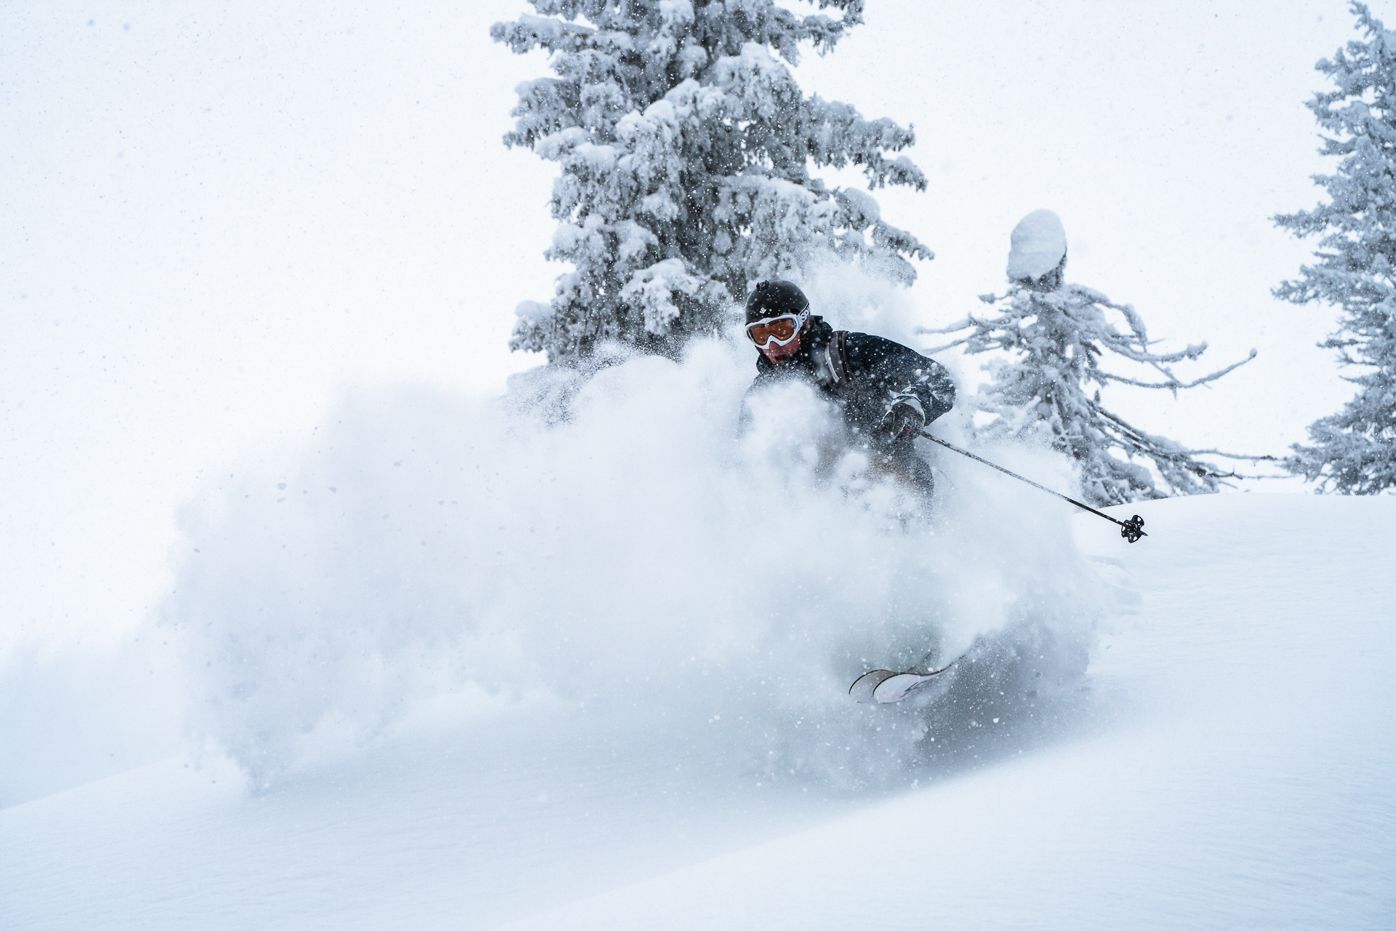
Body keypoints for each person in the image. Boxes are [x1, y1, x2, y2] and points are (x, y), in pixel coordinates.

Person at [740, 279, 955, 499]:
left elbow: (937, 379)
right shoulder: (760, 398)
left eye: (782, 330)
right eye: (761, 336)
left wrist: (912, 406)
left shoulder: (849, 353)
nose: (772, 345)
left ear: (803, 322)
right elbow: (747, 466)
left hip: (890, 488)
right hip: (813, 507)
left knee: (869, 471)